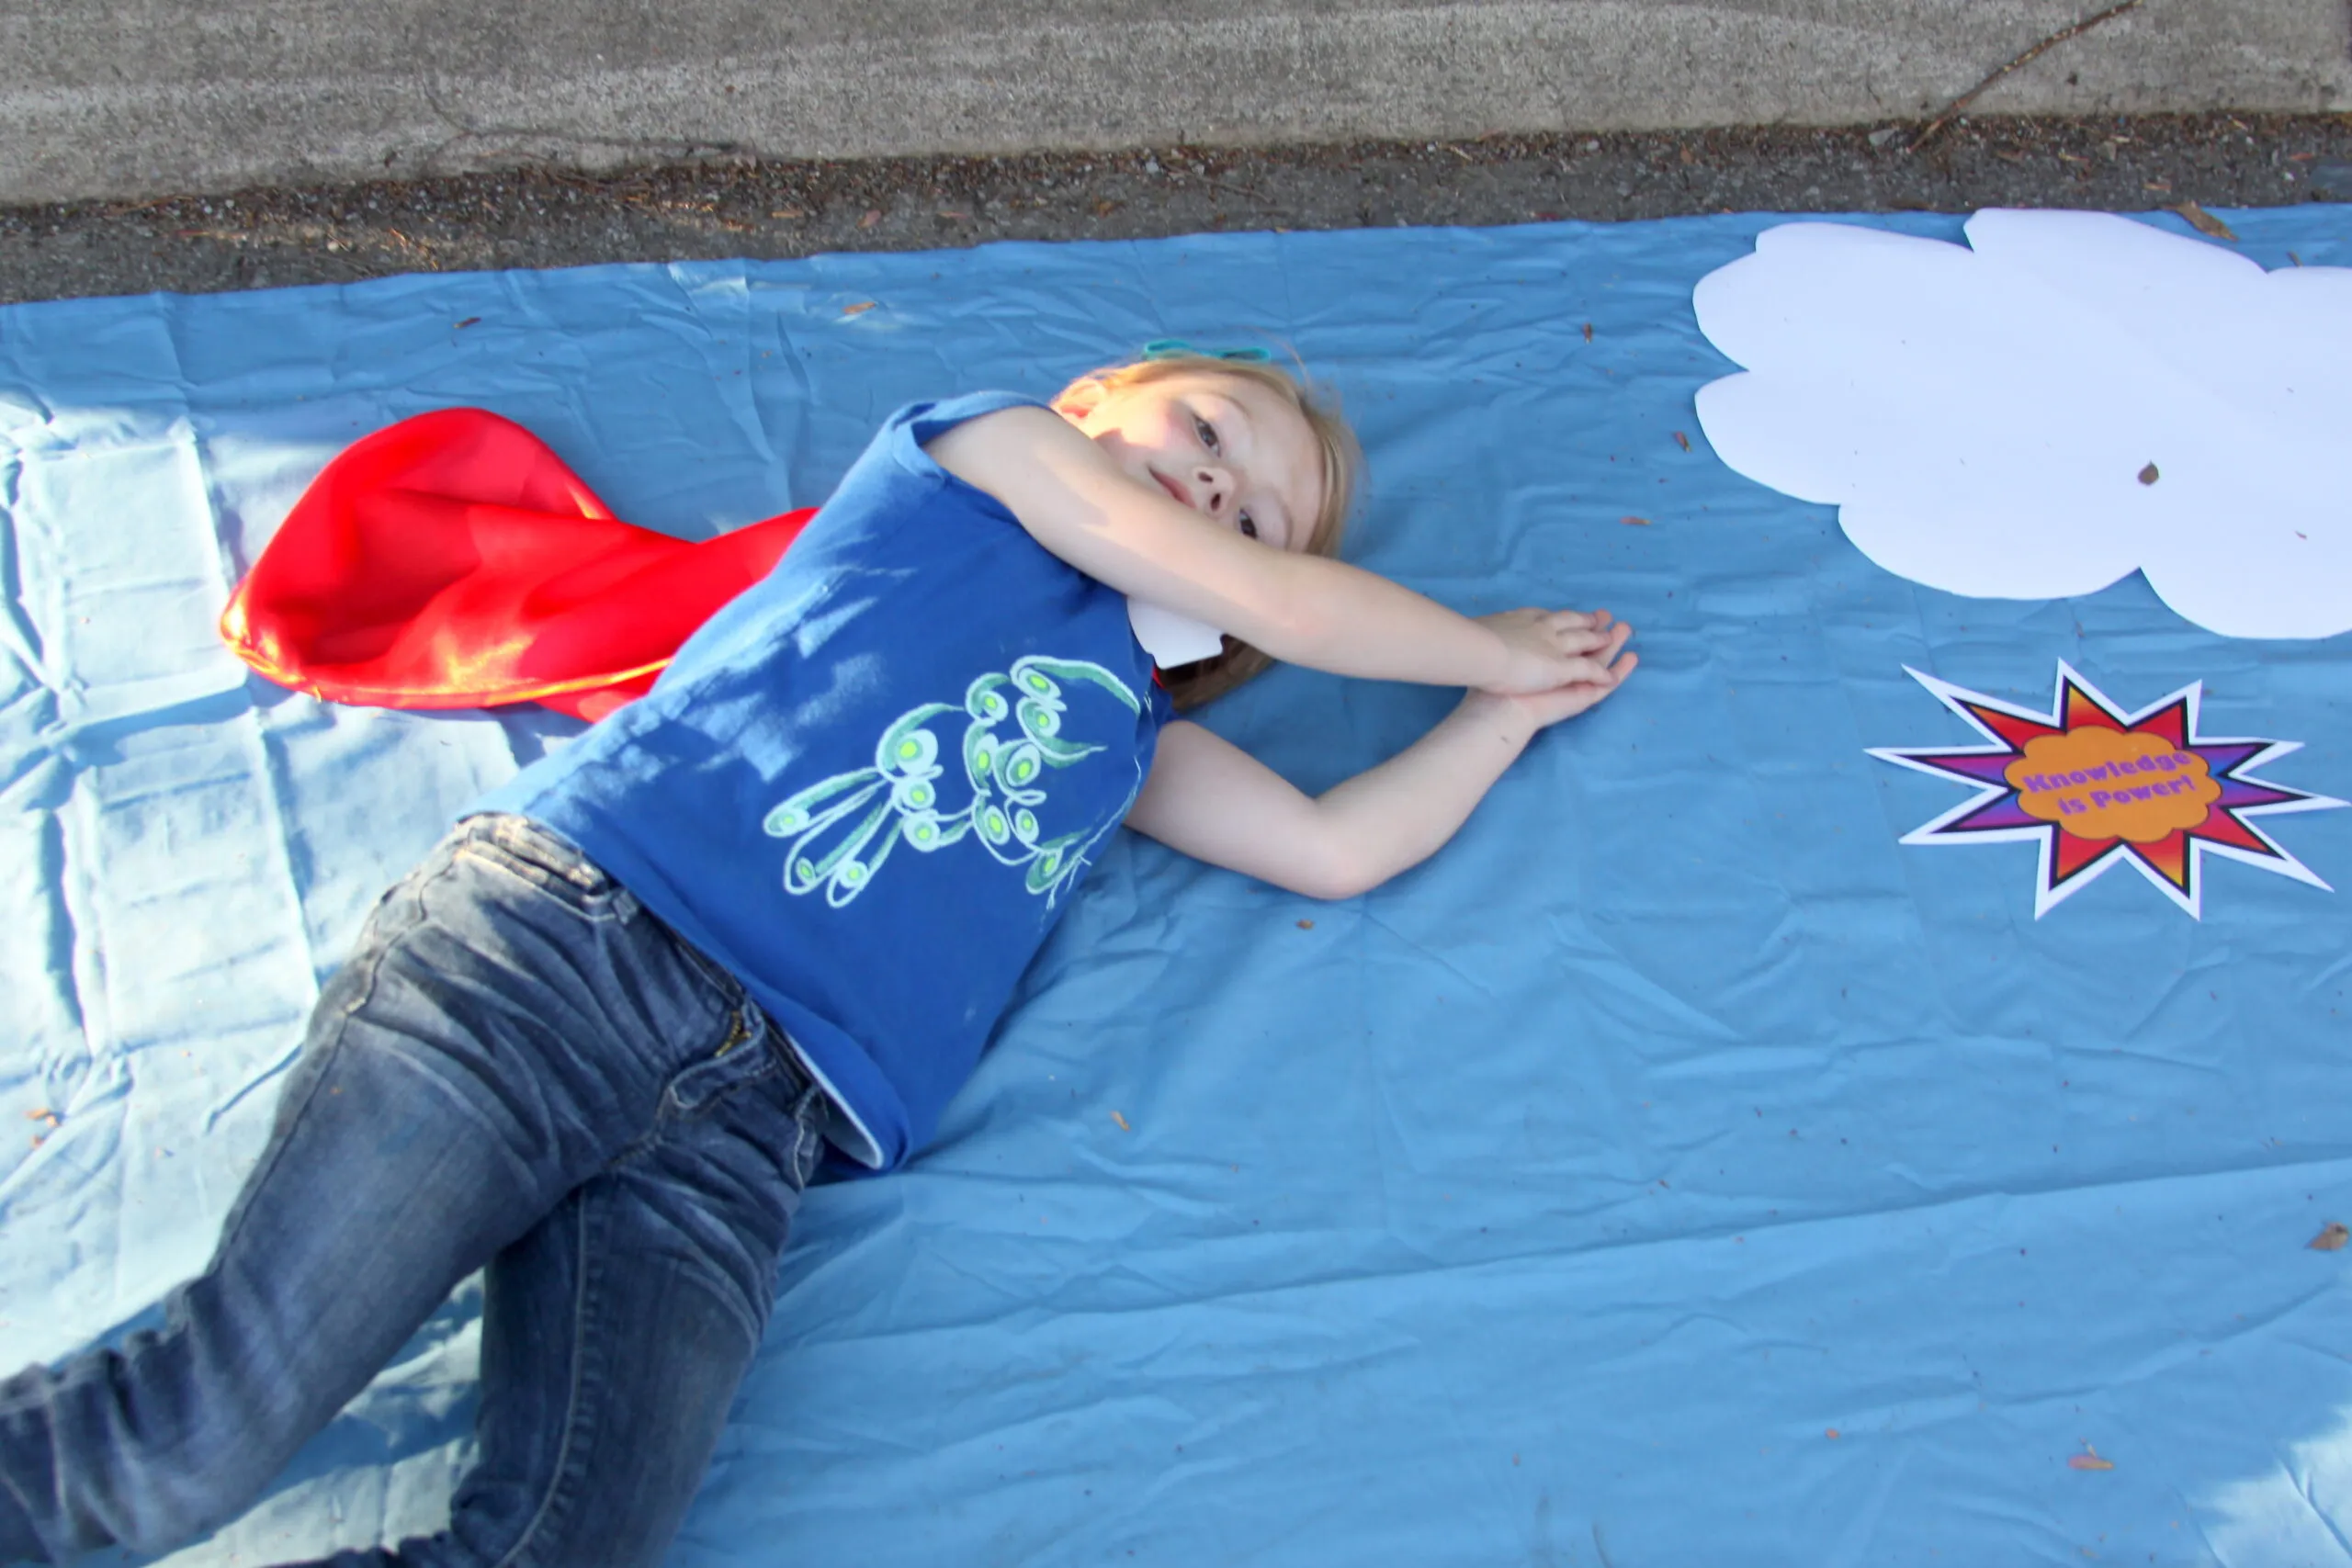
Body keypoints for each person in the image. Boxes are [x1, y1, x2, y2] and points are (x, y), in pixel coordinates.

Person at [0, 347, 1635, 1567]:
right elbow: (1256, 588)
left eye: (1259, 506)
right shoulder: (982, 456)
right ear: (1097, 398)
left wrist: (1505, 713)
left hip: (749, 1131)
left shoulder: (1129, 734)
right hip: (564, 956)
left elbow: (1334, 846)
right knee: (208, 1426)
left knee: (562, 1546)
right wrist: (1474, 640)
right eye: (1207, 432)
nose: (1219, 490)